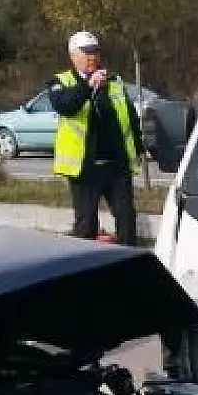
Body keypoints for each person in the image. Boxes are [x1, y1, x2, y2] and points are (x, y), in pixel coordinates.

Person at [48, 31, 142, 244]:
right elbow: (66, 106)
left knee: (126, 216)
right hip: (84, 168)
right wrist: (87, 85)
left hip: (115, 164)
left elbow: (129, 117)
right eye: (87, 53)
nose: (92, 57)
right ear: (73, 55)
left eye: (95, 52)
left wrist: (139, 146)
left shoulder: (113, 80)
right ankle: (84, 265)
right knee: (86, 223)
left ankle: (128, 262)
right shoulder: (60, 81)